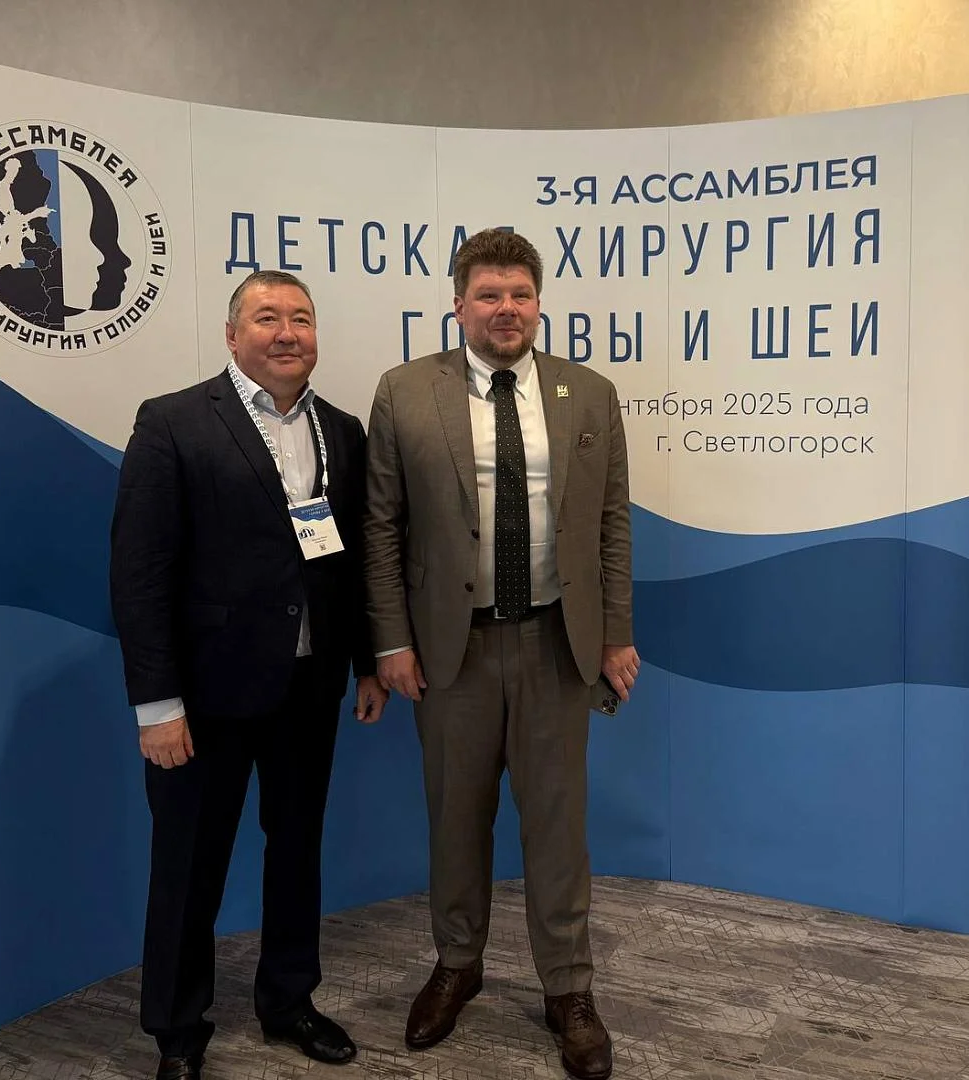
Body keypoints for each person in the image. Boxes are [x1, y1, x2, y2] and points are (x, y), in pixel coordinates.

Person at [364, 229, 639, 1080]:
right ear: (459, 305)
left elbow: (611, 523)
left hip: (558, 643)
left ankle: (569, 989)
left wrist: (616, 632)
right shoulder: (406, 391)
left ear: (539, 304)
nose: (506, 309)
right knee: (456, 820)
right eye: (488, 295)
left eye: (520, 294)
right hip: (453, 651)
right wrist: (390, 639)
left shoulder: (589, 394)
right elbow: (381, 525)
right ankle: (458, 964)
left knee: (558, 829)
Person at [110, 269, 387, 1080]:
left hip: (309, 688)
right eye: (267, 317)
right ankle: (177, 1029)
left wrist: (367, 661)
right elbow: (139, 575)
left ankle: (289, 1000)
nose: (287, 332)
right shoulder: (172, 422)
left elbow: (352, 562)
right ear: (233, 335)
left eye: (301, 317)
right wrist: (157, 705)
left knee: (297, 851)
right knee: (189, 864)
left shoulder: (341, 430)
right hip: (205, 697)